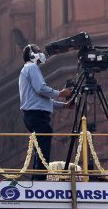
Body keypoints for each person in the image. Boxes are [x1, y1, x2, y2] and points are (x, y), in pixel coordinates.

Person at [19, 44, 73, 180]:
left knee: (40, 148)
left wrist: (64, 106)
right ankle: (39, 180)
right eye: (38, 51)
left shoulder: (27, 70)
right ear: (32, 54)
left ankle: (37, 177)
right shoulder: (32, 67)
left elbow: (42, 100)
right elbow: (41, 89)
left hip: (33, 114)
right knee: (42, 149)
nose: (41, 53)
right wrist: (60, 93)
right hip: (37, 115)